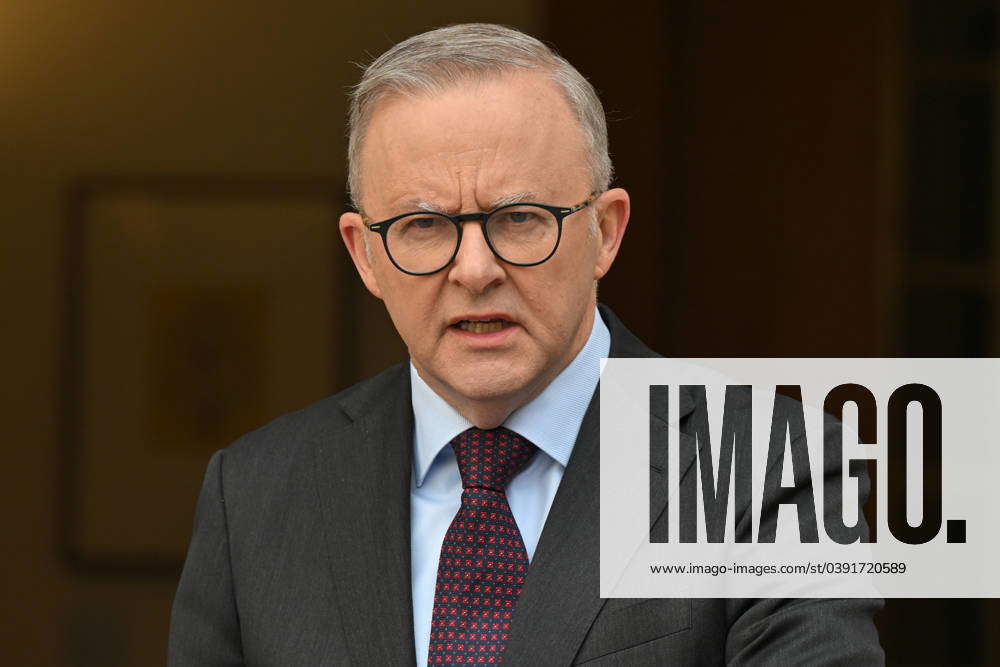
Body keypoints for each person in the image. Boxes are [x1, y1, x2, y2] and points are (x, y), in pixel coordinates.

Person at [168, 23, 883, 665]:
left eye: (519, 218)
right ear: (364, 255)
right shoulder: (257, 492)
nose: (475, 270)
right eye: (423, 226)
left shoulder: (776, 470)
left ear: (605, 231)